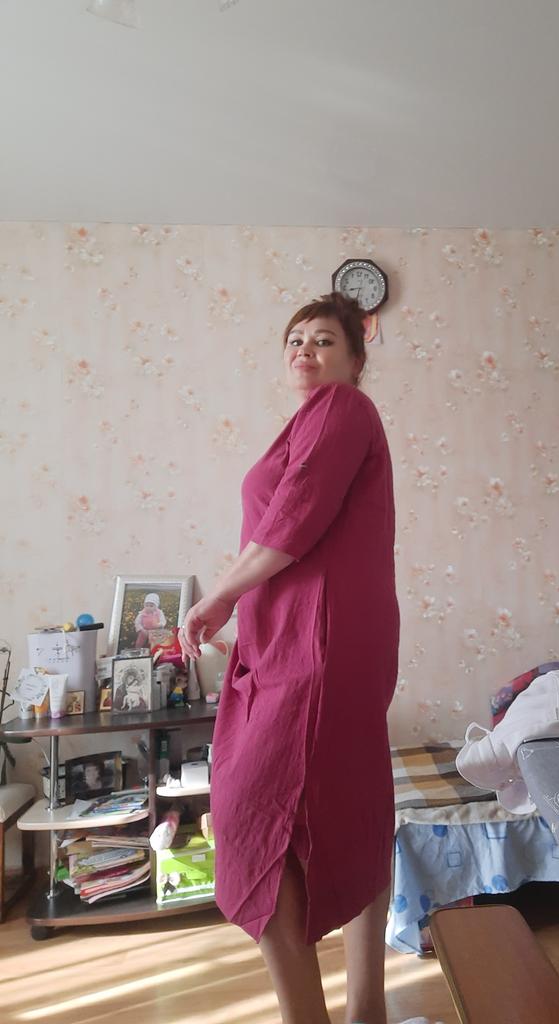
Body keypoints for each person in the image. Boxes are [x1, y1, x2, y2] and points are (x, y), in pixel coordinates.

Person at [181, 293, 403, 1024]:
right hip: (290, 640)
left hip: (320, 643)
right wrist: (235, 607)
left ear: (356, 360)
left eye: (325, 340)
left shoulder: (344, 408)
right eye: (295, 340)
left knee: (248, 811)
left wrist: (219, 595)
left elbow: (294, 519)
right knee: (349, 801)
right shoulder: (306, 425)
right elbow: (276, 529)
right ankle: (364, 1010)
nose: (306, 350)